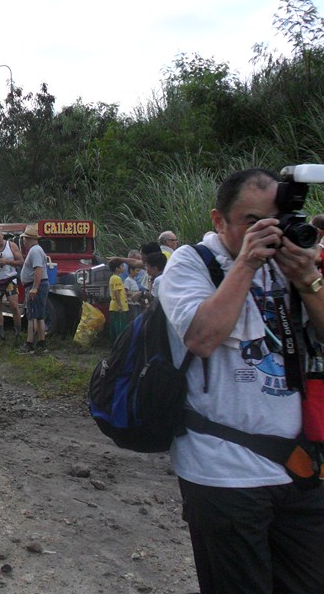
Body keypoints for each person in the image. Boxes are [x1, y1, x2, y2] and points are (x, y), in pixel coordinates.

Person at [161, 168, 324, 593]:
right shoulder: (191, 262)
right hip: (222, 471)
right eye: (252, 222)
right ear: (219, 221)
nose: (267, 232)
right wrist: (247, 263)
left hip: (297, 467)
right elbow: (202, 338)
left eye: (274, 220)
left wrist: (308, 280)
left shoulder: (290, 263)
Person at [19, 225, 49, 354]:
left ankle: (29, 343)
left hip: (35, 285)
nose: (23, 241)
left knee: (32, 316)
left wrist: (35, 288)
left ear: (28, 238)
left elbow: (38, 269)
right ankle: (41, 343)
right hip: (38, 285)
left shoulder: (35, 251)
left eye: (24, 238)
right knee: (39, 315)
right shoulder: (37, 250)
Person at [107, 258, 129, 345]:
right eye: (122, 266)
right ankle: (120, 344)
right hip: (118, 307)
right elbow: (116, 292)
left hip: (114, 306)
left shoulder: (113, 277)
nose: (123, 268)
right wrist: (120, 305)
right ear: (117, 268)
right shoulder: (117, 278)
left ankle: (113, 344)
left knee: (114, 326)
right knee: (120, 326)